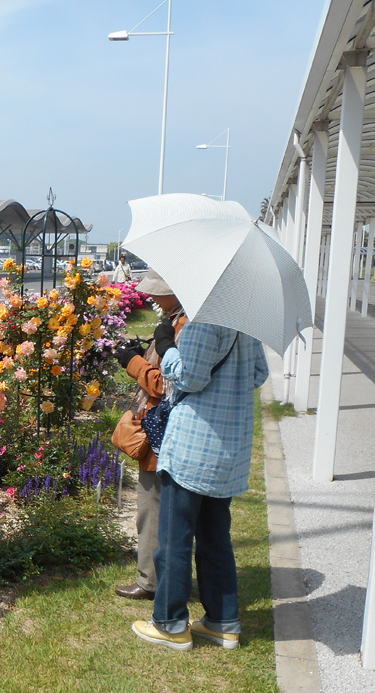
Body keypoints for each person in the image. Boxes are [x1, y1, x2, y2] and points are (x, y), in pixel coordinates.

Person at [132, 317, 268, 652]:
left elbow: (189, 376)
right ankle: (222, 622)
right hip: (229, 448)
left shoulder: (204, 322)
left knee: (175, 540)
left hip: (194, 446)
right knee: (215, 538)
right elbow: (258, 374)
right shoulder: (247, 325)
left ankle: (170, 623)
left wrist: (167, 348)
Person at [113, 270, 187, 600]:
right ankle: (158, 577)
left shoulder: (183, 325)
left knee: (152, 509)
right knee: (155, 509)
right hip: (162, 432)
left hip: (160, 436)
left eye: (158, 292)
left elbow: (167, 385)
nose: (151, 297)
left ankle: (151, 581)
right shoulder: (175, 320)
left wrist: (133, 364)